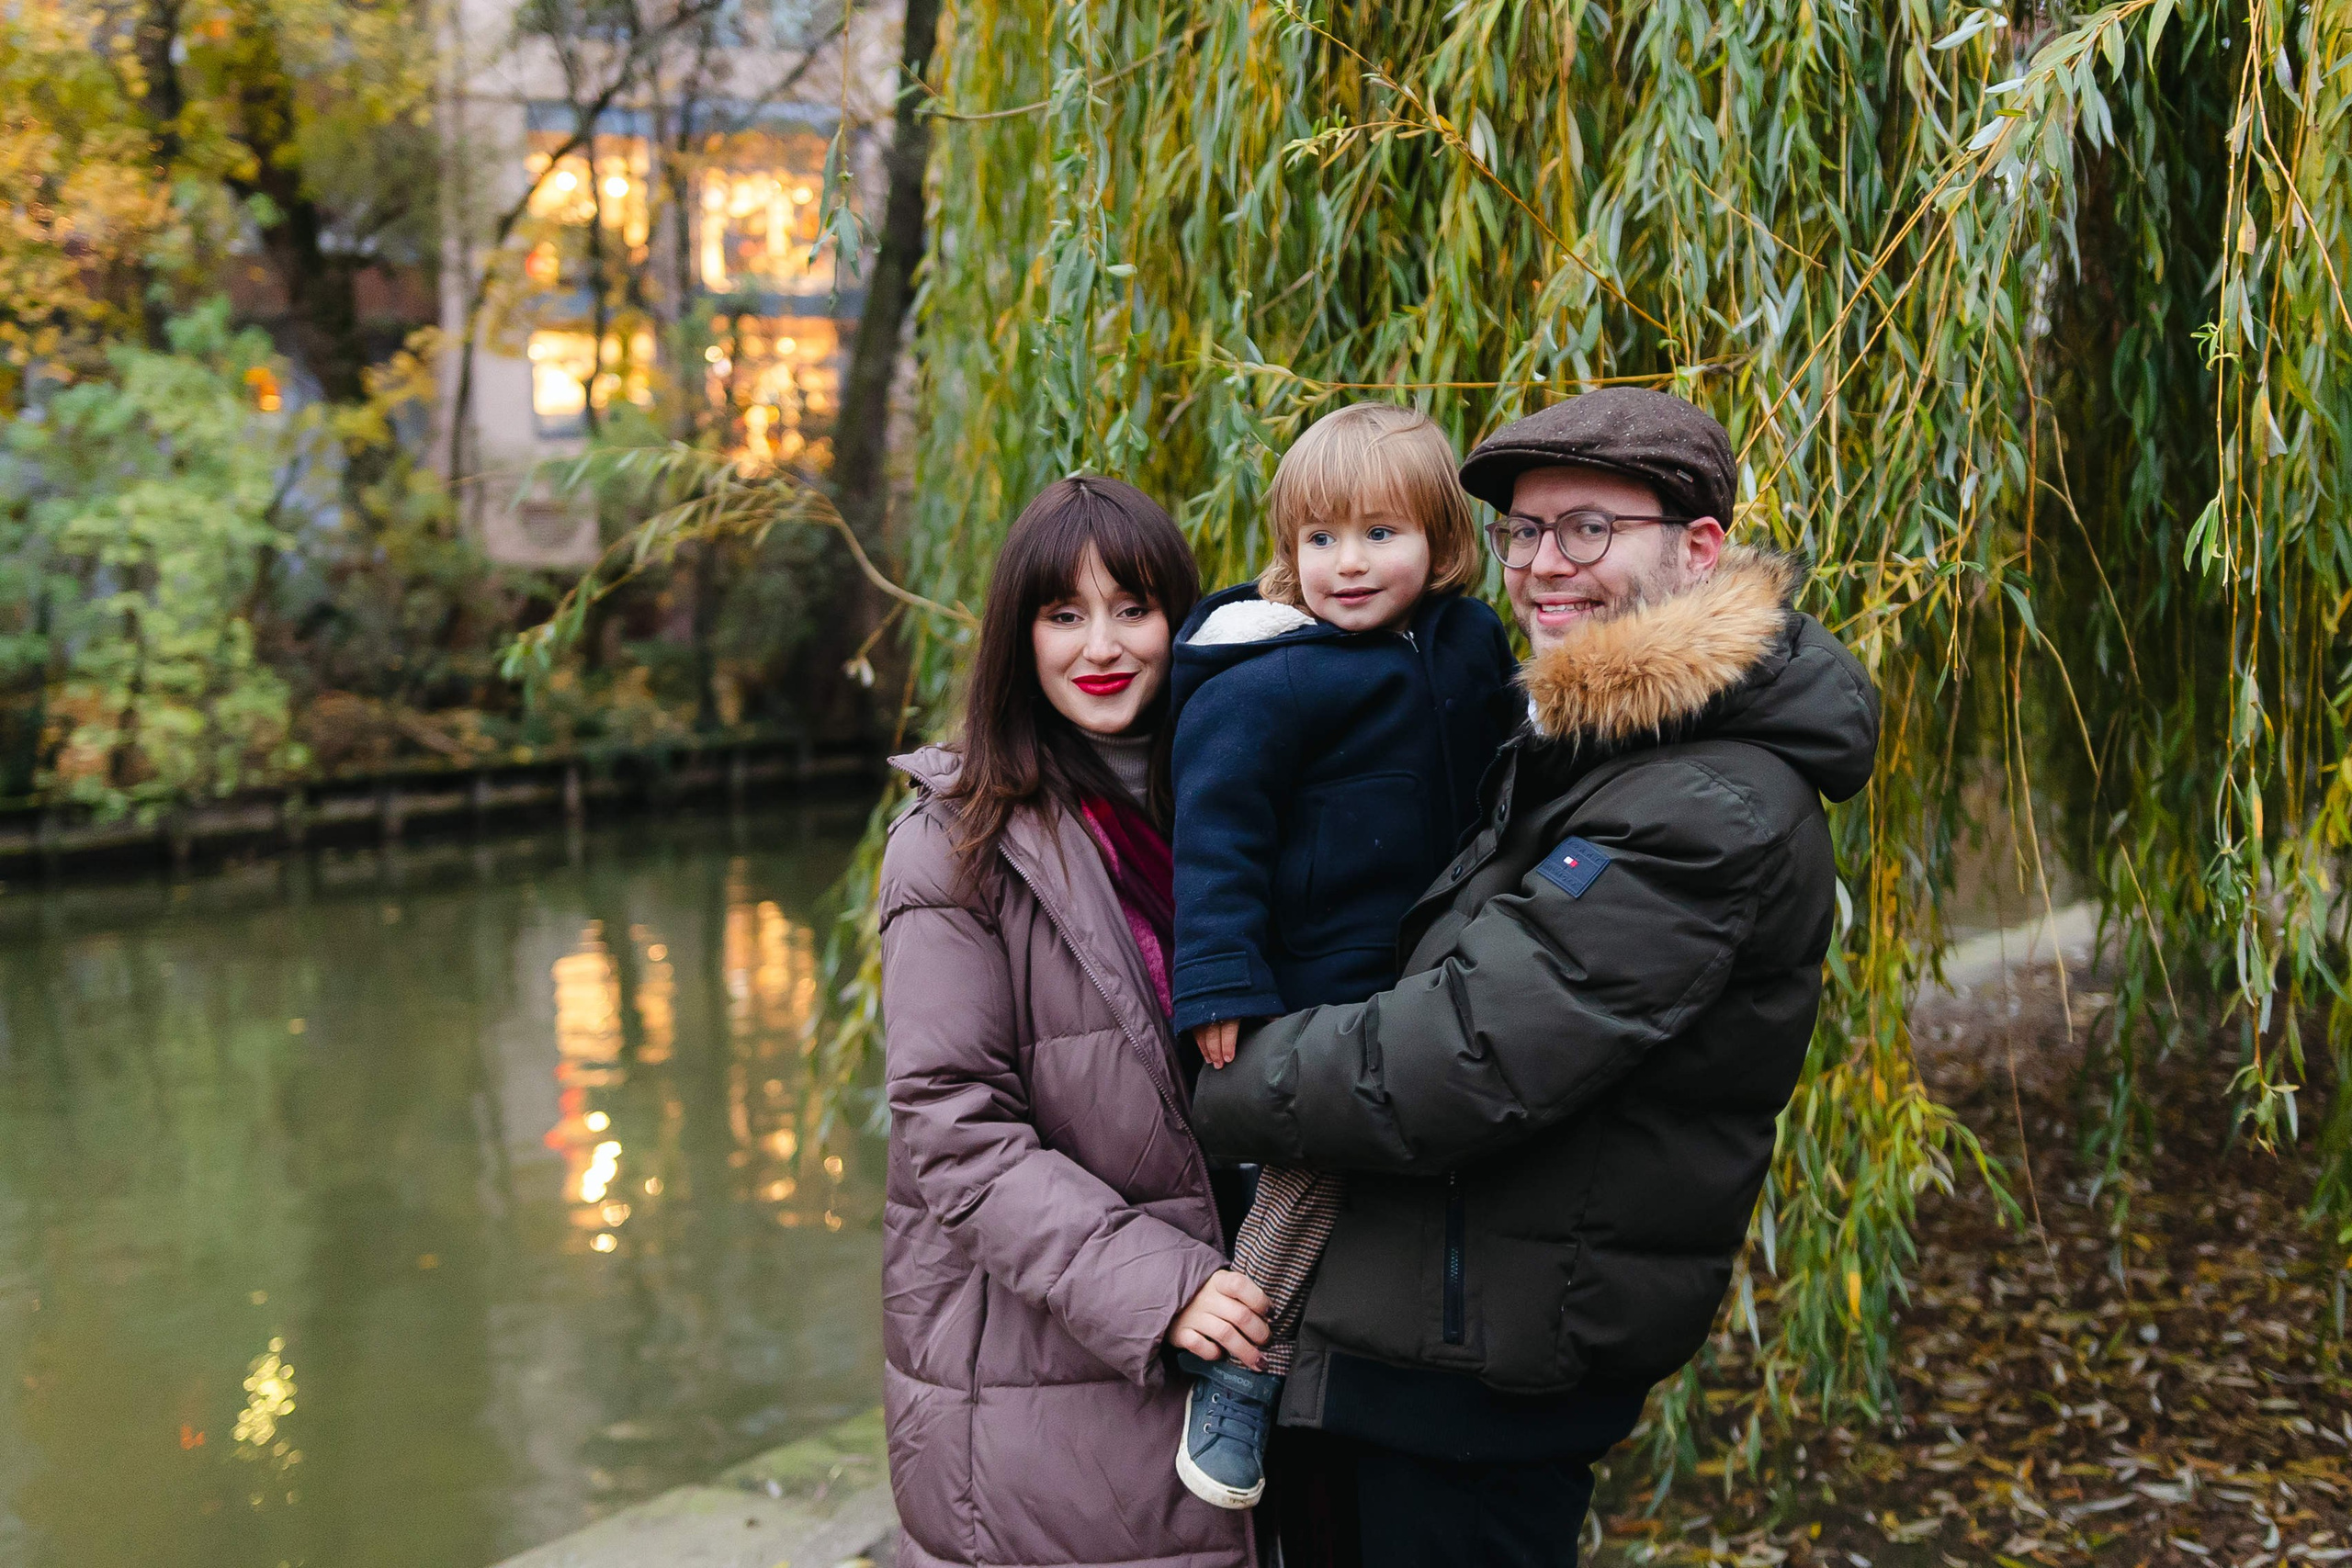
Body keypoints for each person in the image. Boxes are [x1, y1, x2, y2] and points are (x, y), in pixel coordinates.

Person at [1192, 388, 1883, 1568]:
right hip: (1436, 1332)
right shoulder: (1602, 742)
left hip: (1479, 1372)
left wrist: (1212, 1087)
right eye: (1522, 532)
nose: (1543, 565)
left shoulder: (1706, 806)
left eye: (1587, 530)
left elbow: (1457, 1055)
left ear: (1697, 546)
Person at [876, 477, 1268, 1568]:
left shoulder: (1243, 804)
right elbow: (951, 1126)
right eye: (1063, 614)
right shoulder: (956, 843)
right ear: (1020, 636)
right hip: (1049, 1384)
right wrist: (1163, 1289)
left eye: (1132, 607)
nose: (1101, 644)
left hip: (1248, 1338)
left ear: (1179, 622)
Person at [1161, 403, 1519, 1511]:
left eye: (1379, 534)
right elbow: (1216, 841)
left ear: (1442, 544)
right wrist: (1219, 982)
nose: (1347, 565)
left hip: (1440, 962)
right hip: (1321, 980)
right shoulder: (1268, 682)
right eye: (1320, 539)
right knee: (1310, 1169)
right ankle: (1239, 1373)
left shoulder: (1469, 644)